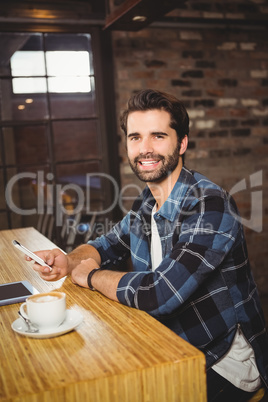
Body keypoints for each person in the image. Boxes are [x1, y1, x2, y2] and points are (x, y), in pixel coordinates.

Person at [30, 89, 268, 401]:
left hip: (223, 362)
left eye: (158, 136)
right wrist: (70, 261)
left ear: (181, 143)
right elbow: (108, 244)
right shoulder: (148, 200)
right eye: (135, 137)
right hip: (167, 343)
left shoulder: (210, 204)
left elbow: (160, 294)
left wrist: (89, 276)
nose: (145, 149)